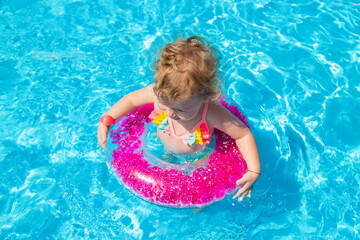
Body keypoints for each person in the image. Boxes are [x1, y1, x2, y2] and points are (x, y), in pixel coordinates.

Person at [97, 36, 261, 202]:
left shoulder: (211, 113)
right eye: (164, 105)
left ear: (206, 97)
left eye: (179, 110)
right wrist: (107, 119)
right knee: (164, 163)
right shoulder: (158, 93)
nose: (168, 114)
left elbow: (243, 134)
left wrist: (254, 170)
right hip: (162, 146)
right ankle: (167, 157)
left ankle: (201, 203)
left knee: (201, 192)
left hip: (195, 157)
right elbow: (131, 100)